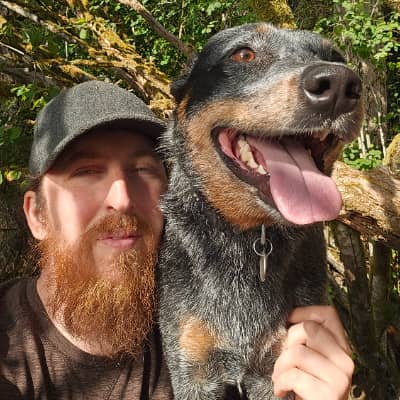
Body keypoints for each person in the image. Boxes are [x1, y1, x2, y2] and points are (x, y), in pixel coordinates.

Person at [0, 80, 353, 400]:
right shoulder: (9, 350)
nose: (122, 199)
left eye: (143, 169)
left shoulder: (213, 327)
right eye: (86, 172)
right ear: (37, 215)